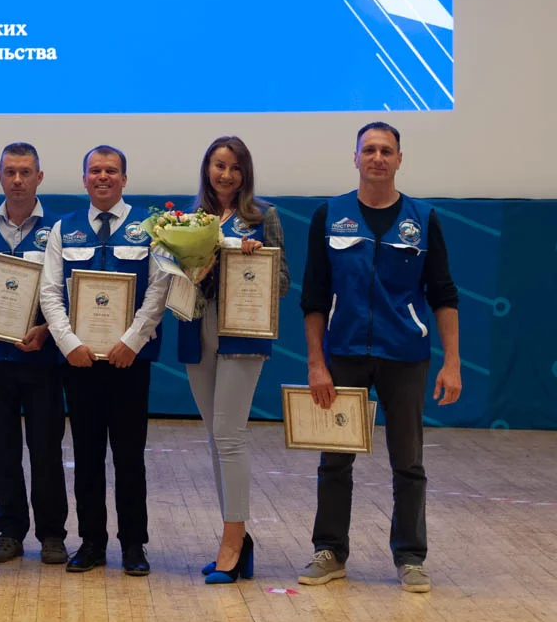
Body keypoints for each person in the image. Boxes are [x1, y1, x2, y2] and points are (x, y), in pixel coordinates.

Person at [297, 122, 461, 593]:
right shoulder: (329, 215)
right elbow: (313, 296)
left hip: (405, 355)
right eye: (369, 149)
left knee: (408, 462)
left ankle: (411, 557)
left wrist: (452, 362)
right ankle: (329, 552)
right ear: (355, 158)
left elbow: (443, 294)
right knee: (335, 461)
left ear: (399, 159)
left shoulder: (423, 219)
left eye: (386, 150)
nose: (377, 158)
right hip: (344, 353)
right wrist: (316, 363)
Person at [39, 145, 194, 577]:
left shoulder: (151, 228)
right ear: (84, 179)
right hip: (80, 361)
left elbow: (159, 290)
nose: (103, 177)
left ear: (124, 179)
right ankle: (91, 542)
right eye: (95, 170)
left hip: (130, 362)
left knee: (129, 456)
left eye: (111, 171)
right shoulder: (63, 228)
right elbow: (50, 292)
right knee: (86, 456)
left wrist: (132, 341)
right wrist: (68, 343)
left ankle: (133, 545)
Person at [180, 136, 290, 584]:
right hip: (197, 329)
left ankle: (232, 542)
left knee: (230, 435)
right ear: (207, 169)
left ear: (246, 173)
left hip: (243, 331)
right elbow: (175, 280)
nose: (226, 174)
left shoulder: (263, 217)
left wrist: (255, 262)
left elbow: (283, 282)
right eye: (218, 165)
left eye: (235, 167)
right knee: (214, 436)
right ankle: (238, 541)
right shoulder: (190, 220)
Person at [0, 141, 69, 567]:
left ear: (39, 177)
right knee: (3, 450)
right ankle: (9, 531)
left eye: (25, 172)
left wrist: (47, 331)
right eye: (10, 172)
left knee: (46, 449)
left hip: (42, 359)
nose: (17, 180)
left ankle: (52, 534)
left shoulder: (59, 230)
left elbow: (69, 293)